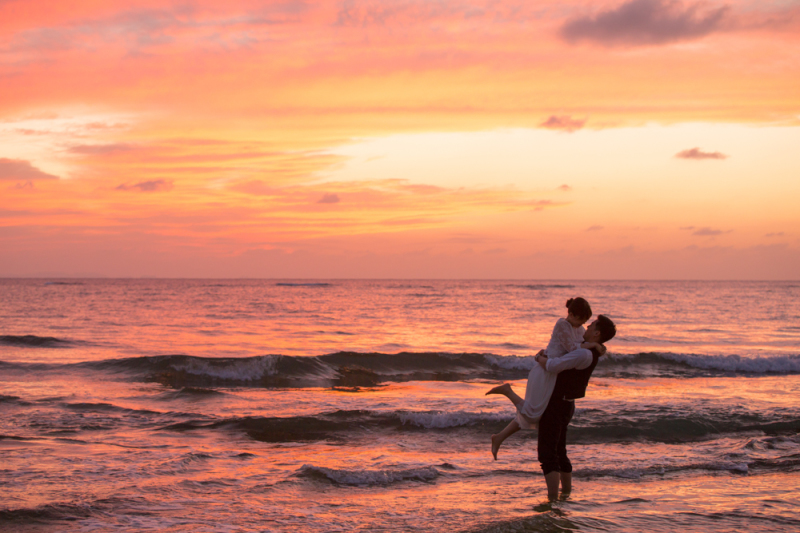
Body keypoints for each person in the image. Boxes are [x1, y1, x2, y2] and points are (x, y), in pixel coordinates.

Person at [490, 315, 617, 500]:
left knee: (547, 454)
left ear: (597, 333)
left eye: (591, 325)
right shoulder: (589, 350)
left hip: (556, 405)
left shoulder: (583, 353)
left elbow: (552, 365)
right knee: (559, 451)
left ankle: (552, 501)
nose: (587, 327)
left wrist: (538, 357)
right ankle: (565, 495)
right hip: (566, 404)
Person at [486, 298, 604, 459]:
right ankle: (508, 391)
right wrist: (594, 345)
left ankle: (499, 437)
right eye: (580, 321)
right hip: (544, 372)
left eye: (584, 322)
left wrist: (598, 345)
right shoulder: (562, 324)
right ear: (571, 314)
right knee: (533, 413)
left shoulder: (578, 328)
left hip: (553, 373)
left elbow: (582, 344)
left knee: (537, 412)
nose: (582, 325)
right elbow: (571, 348)